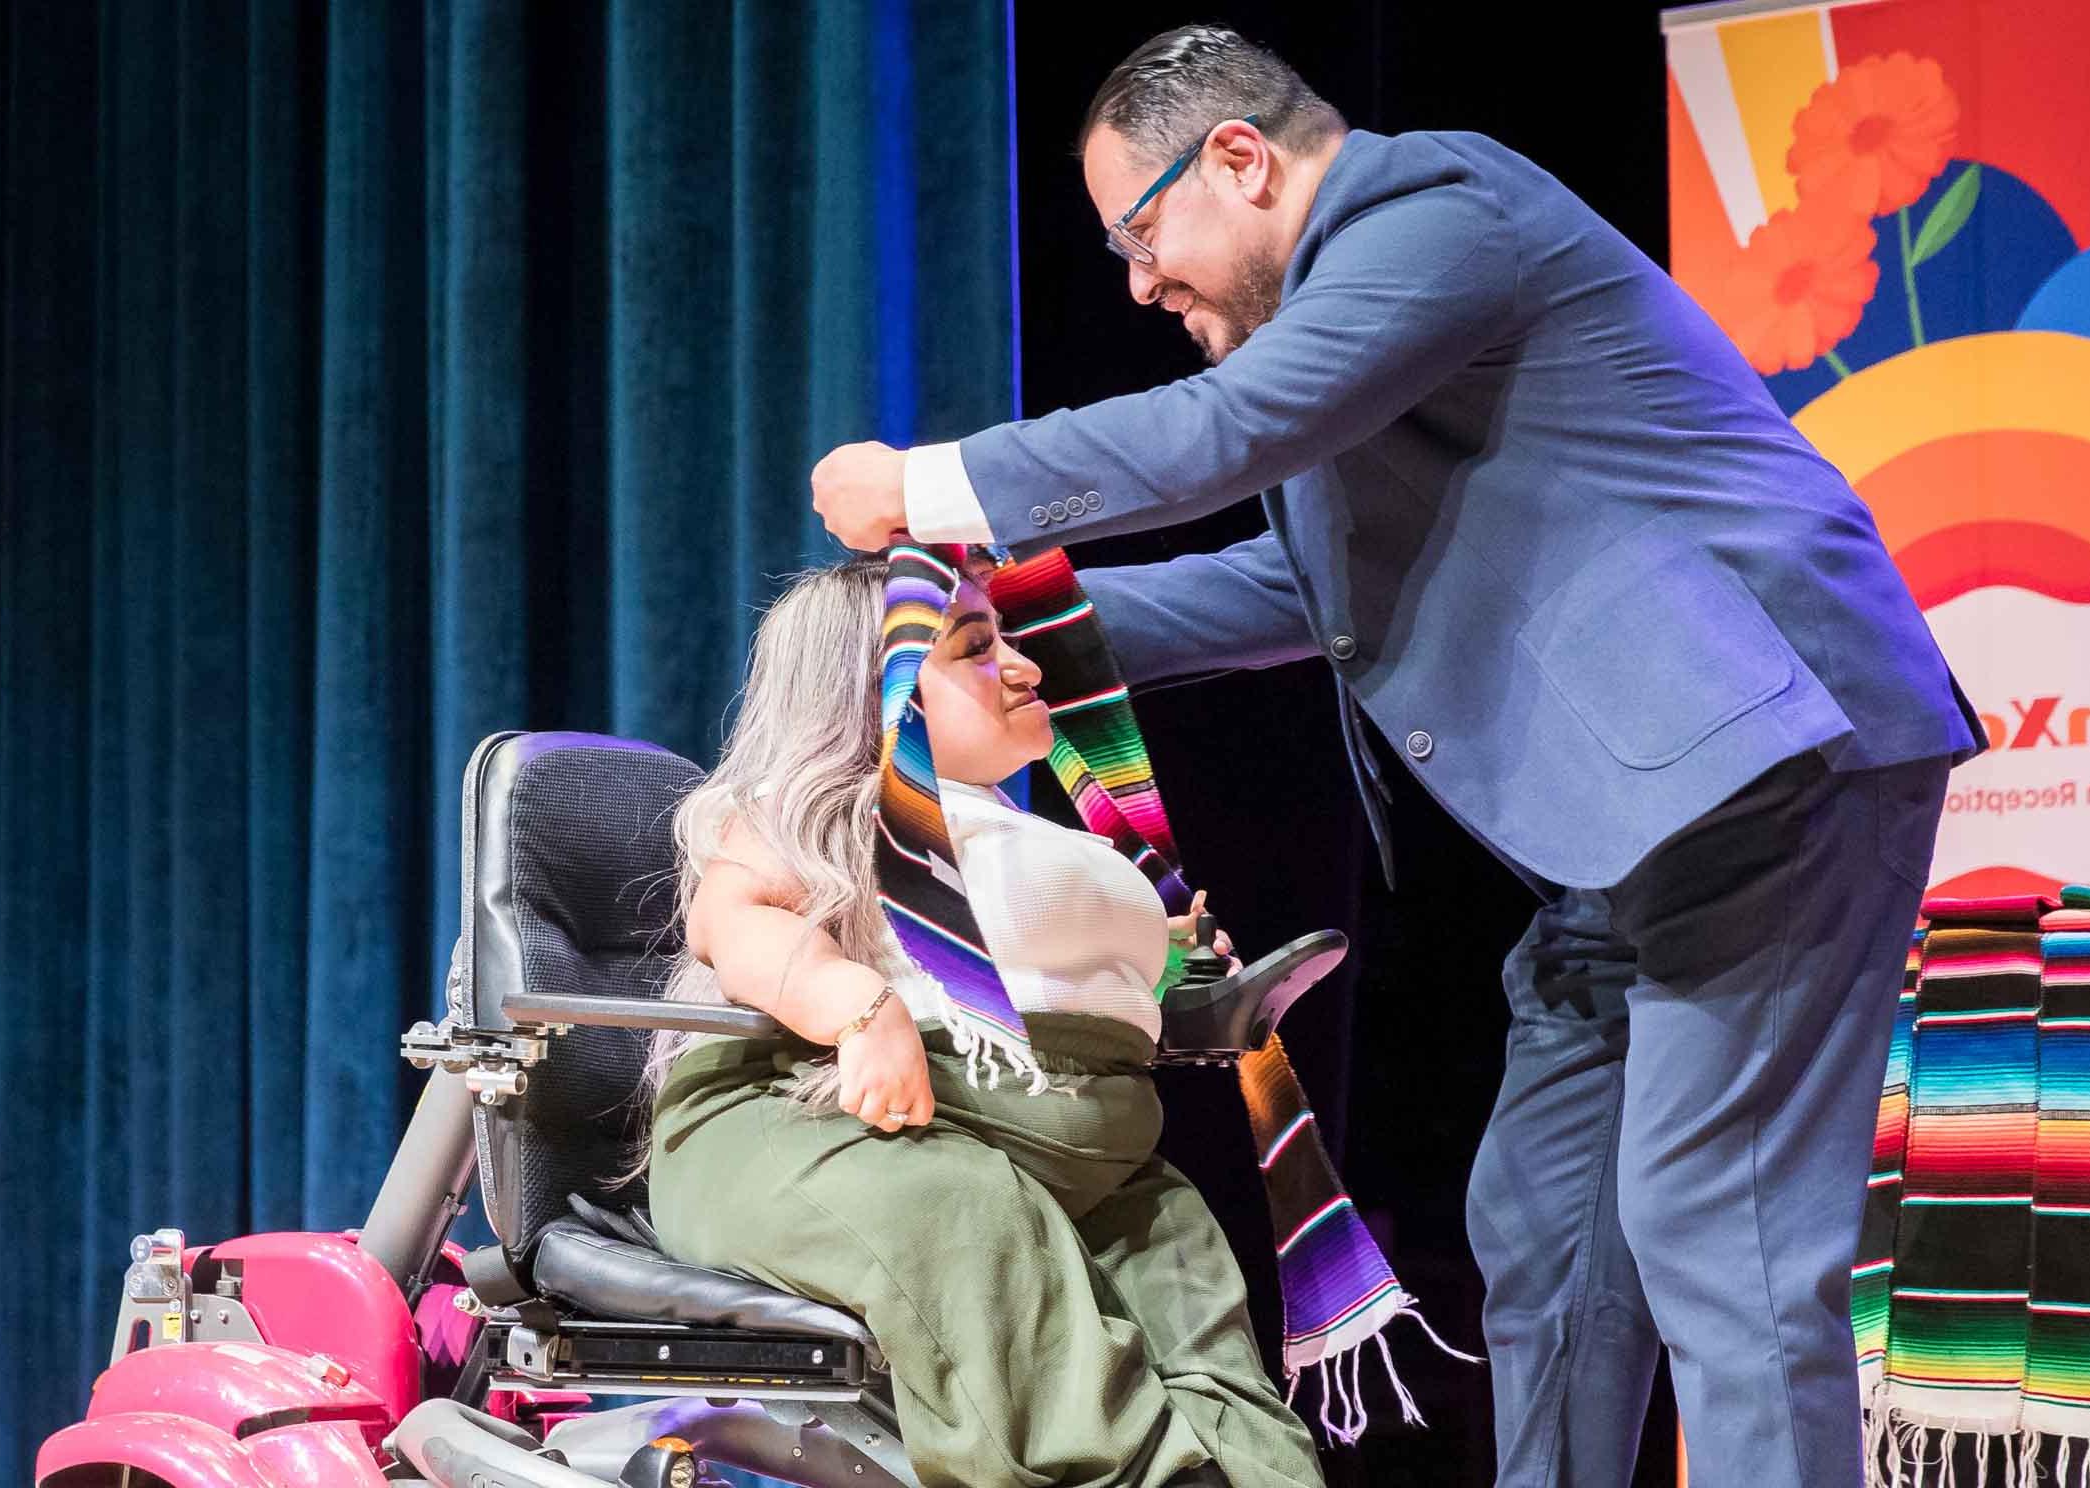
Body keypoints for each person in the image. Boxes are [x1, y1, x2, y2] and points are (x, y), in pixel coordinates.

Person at [805, 23, 1985, 1487]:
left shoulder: (1435, 214)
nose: (1139, 281)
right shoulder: (1348, 332)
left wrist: (935, 486)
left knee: (1719, 1227)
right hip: (1631, 835)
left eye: (1142, 230)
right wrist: (1015, 631)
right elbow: (1295, 592)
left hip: (1777, 766)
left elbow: (1234, 428)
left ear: (1238, 159)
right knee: (1546, 1226)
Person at [640, 555, 1324, 1488]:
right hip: (795, 1121)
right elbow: (729, 923)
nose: (1025, 666)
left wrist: (1167, 969)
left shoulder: (1005, 832)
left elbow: (1043, 975)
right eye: (975, 647)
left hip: (1046, 1145)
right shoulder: (818, 811)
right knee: (960, 1212)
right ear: (875, 695)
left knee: (1175, 1245)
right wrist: (857, 1005)